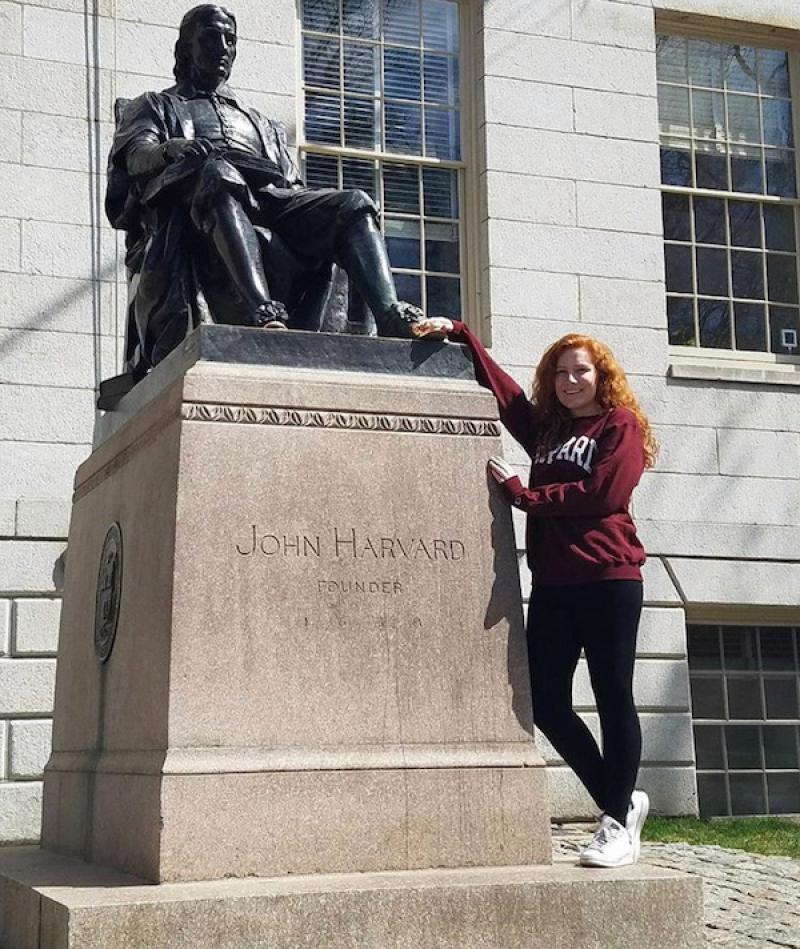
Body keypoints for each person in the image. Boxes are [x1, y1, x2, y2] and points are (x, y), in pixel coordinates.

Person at [413, 316, 658, 868]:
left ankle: (615, 825)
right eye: (561, 373)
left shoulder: (620, 426)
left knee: (612, 695)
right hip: (553, 582)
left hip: (609, 578)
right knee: (545, 700)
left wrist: (523, 495)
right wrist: (460, 333)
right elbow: (508, 397)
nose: (570, 381)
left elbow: (602, 493)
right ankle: (619, 797)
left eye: (581, 371)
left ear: (603, 377)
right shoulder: (548, 432)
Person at [106, 4, 424, 378]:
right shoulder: (157, 105)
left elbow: (291, 184)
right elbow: (137, 155)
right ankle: (264, 311)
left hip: (273, 199)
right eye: (210, 38)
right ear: (186, 47)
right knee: (218, 174)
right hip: (206, 201)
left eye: (230, 40)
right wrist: (170, 149)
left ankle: (390, 314)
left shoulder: (260, 122)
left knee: (355, 203)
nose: (222, 47)